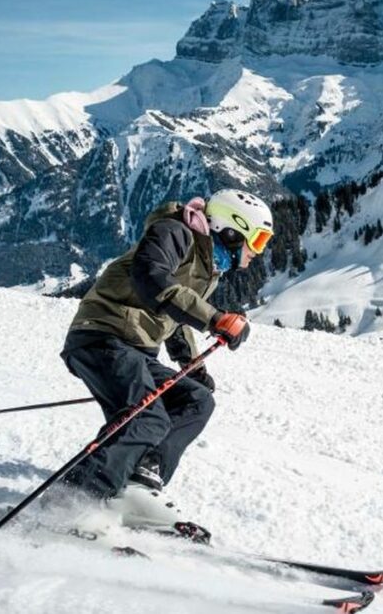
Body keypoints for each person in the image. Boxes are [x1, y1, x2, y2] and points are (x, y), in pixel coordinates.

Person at [59, 189, 273, 532]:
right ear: (232, 231)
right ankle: (74, 501)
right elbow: (151, 279)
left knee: (195, 400)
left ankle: (139, 483)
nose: (257, 253)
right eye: (258, 240)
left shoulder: (205, 265)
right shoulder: (175, 232)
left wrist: (194, 366)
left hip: (134, 348)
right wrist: (215, 318)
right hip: (102, 336)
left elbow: (172, 317)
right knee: (148, 417)